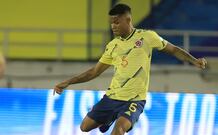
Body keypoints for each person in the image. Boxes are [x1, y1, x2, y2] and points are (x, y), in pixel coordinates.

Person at [54, 3, 207, 135]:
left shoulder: (147, 37)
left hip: (134, 100)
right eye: (111, 23)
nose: (113, 26)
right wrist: (68, 82)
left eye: (116, 22)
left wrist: (193, 60)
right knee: (84, 127)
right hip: (112, 97)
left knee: (118, 130)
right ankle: (108, 119)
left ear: (128, 20)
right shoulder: (113, 46)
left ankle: (112, 120)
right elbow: (94, 72)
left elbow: (173, 49)